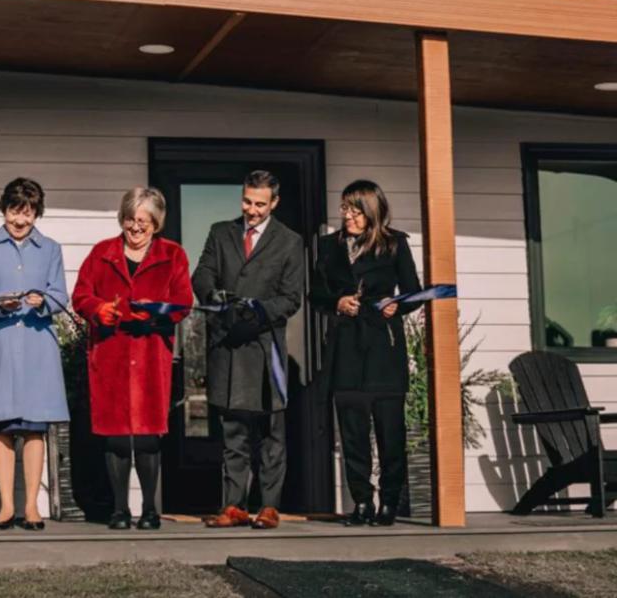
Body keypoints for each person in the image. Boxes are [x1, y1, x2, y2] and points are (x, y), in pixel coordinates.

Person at [72, 187, 192, 530]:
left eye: (144, 221)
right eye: (130, 219)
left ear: (156, 223)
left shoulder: (173, 254)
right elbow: (81, 295)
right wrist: (100, 310)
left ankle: (150, 509)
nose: (136, 227)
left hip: (151, 353)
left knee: (148, 435)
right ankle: (119, 509)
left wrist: (157, 315)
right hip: (110, 353)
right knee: (115, 435)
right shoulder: (102, 253)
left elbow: (183, 301)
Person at [192, 170, 304, 531]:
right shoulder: (219, 232)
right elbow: (203, 274)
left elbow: (290, 298)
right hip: (228, 346)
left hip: (265, 345)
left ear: (274, 203)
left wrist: (256, 314)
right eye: (247, 202)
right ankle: (234, 505)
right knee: (233, 433)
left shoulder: (289, 241)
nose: (251, 210)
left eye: (259, 204)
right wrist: (213, 296)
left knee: (272, 433)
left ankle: (269, 506)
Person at [312, 180, 421, 527]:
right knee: (353, 433)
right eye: (345, 208)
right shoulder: (329, 246)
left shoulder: (394, 244)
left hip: (383, 349)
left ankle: (390, 501)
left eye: (356, 210)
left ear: (371, 211)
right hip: (345, 350)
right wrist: (336, 302)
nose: (348, 216)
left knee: (391, 434)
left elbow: (414, 293)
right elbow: (314, 294)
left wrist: (396, 305)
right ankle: (361, 501)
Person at [0, 178, 70, 531]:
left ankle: (31, 506)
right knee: (3, 428)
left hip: (38, 347)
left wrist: (44, 302)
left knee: (35, 428)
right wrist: (1, 303)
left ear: (37, 213)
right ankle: (6, 506)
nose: (20, 220)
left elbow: (61, 295)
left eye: (27, 213)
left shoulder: (51, 249)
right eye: (14, 212)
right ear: (4, 209)